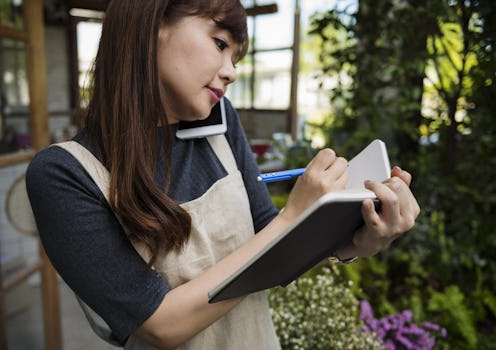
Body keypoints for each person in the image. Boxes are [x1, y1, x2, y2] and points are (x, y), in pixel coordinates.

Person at [26, 0, 420, 349]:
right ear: (153, 22)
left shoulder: (219, 124)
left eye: (236, 58)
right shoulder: (63, 174)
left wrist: (356, 240)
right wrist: (294, 215)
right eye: (220, 44)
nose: (230, 72)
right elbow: (159, 325)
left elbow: (270, 237)